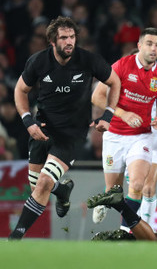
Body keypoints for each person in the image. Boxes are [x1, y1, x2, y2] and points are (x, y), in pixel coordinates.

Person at [9, 16, 121, 239]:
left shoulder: (88, 60)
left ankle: (15, 238)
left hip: (71, 133)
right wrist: (27, 121)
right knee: (36, 188)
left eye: (72, 37)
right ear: (52, 41)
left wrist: (108, 114)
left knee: (43, 184)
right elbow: (20, 90)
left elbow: (114, 82)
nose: (69, 42)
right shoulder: (38, 61)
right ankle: (62, 190)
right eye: (63, 38)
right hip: (42, 129)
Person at [91, 27, 157, 230]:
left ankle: (124, 234)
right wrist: (124, 114)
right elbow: (97, 97)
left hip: (141, 137)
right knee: (114, 191)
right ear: (139, 46)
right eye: (149, 44)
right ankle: (107, 198)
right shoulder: (121, 66)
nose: (153, 49)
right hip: (114, 135)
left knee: (136, 185)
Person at [93, 86, 157, 225]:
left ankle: (141, 234)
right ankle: (107, 195)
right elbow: (109, 102)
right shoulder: (127, 82)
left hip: (155, 145)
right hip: (132, 141)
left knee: (147, 188)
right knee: (118, 188)